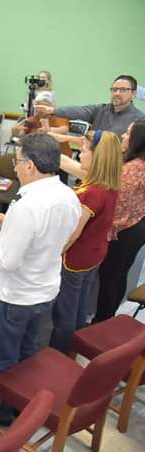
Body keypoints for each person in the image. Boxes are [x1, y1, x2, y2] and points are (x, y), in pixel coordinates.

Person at [0, 133, 81, 426]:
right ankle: (22, 401)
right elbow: (55, 235)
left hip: (16, 294)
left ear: (30, 165)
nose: (15, 167)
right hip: (46, 287)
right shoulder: (68, 195)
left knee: (4, 355)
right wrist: (11, 225)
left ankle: (0, 411)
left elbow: (7, 261)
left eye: (17, 162)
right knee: (28, 350)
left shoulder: (27, 205)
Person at [49, 130, 121, 353]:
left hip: (75, 259)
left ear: (97, 157)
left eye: (85, 150)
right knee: (80, 305)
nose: (80, 154)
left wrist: (53, 254)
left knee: (65, 310)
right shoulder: (110, 185)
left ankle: (59, 353)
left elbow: (73, 234)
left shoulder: (91, 193)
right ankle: (76, 345)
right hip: (95, 253)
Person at [94, 120, 145, 321]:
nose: (123, 136)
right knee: (119, 274)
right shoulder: (140, 164)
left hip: (124, 232)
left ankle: (101, 322)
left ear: (137, 140)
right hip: (137, 226)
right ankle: (108, 318)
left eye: (128, 133)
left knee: (110, 278)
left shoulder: (130, 171)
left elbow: (116, 213)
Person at [37, 75, 145, 136]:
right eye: (114, 89)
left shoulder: (139, 119)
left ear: (133, 94)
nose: (117, 93)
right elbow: (79, 111)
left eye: (122, 90)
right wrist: (52, 110)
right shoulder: (101, 110)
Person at [12, 91, 71, 156]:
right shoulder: (32, 119)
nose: (40, 109)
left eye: (43, 106)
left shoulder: (59, 117)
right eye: (37, 106)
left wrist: (48, 130)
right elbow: (21, 135)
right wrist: (16, 131)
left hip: (58, 155)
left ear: (51, 106)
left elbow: (64, 130)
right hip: (36, 154)